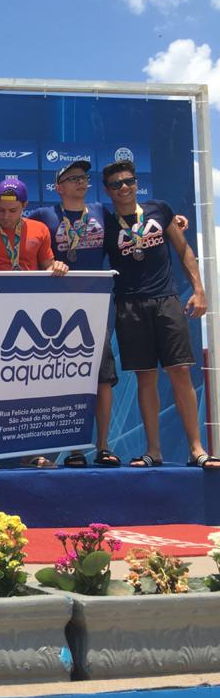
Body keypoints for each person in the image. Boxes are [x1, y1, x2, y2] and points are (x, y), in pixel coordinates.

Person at [100, 160, 218, 470]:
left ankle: (197, 449)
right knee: (145, 378)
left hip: (166, 300)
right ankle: (153, 451)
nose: (124, 187)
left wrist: (199, 290)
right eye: (116, 184)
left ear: (137, 183)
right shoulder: (105, 221)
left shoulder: (160, 210)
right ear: (107, 190)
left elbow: (183, 250)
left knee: (180, 371)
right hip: (129, 305)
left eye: (129, 181)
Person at [0, 178, 69, 468]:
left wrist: (56, 266)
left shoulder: (40, 230)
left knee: (31, 383)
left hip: (31, 314)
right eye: (0, 210)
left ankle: (33, 452)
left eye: (12, 210)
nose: (5, 216)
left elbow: (47, 265)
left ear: (24, 207)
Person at [28, 161, 119, 467]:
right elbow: (12, 231)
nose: (82, 182)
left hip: (94, 304)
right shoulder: (44, 216)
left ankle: (103, 446)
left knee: (102, 379)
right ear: (59, 187)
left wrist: (177, 223)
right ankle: (75, 448)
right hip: (58, 309)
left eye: (84, 178)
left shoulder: (100, 211)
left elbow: (131, 225)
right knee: (67, 378)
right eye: (74, 178)